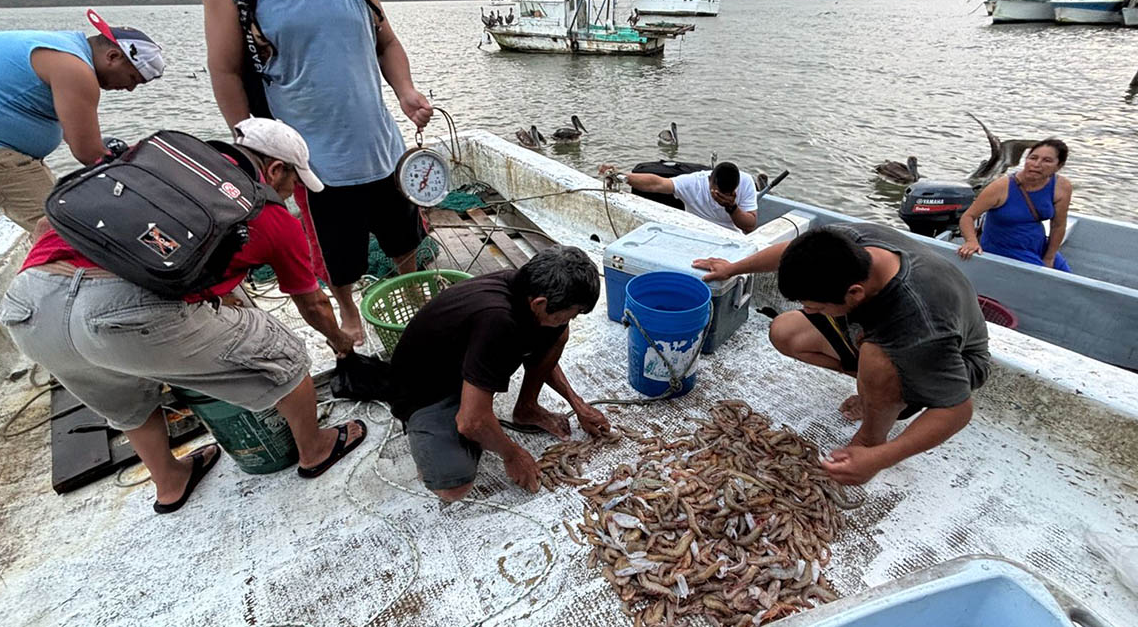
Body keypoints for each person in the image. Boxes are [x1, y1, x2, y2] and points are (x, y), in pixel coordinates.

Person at [0, 118, 365, 513]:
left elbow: (44, 224)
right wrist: (340, 342)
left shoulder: (157, 160)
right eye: (294, 181)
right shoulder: (270, 215)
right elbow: (313, 305)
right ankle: (316, 448)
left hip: (29, 306)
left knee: (124, 397)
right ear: (275, 169)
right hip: (120, 314)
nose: (293, 192)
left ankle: (170, 481)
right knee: (286, 355)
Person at [203, 0, 434, 347]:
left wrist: (406, 91)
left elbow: (387, 42)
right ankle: (348, 313)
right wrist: (253, 149)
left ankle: (415, 296)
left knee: (406, 238)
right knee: (335, 258)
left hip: (383, 148)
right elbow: (225, 71)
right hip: (314, 165)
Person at [693, 223, 989, 486]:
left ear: (855, 293)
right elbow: (793, 253)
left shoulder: (918, 320)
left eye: (817, 307)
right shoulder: (849, 243)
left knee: (876, 360)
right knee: (785, 331)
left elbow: (957, 410)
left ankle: (872, 438)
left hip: (952, 362)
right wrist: (734, 268)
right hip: (883, 335)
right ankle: (878, 392)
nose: (810, 312)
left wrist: (882, 458)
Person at [387, 246, 611, 502]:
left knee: (557, 333)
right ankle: (432, 437)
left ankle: (526, 408)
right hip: (424, 392)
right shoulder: (498, 321)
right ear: (540, 304)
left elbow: (545, 349)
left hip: (465, 366)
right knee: (454, 486)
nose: (571, 319)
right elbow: (470, 422)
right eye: (571, 314)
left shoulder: (526, 288)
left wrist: (577, 404)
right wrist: (512, 454)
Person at [0, 10, 165, 232]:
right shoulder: (75, 70)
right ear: (113, 57)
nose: (130, 89)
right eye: (133, 79)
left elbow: (73, 135)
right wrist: (146, 186)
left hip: (4, 150)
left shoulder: (64, 47)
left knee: (63, 207)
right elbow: (88, 153)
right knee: (66, 230)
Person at [957, 139, 1072, 271]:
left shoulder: (1061, 186)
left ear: (1059, 166)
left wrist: (1049, 257)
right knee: (1047, 279)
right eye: (1033, 158)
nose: (1036, 164)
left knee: (1067, 276)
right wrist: (971, 241)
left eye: (1047, 160)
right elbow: (968, 217)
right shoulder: (1001, 186)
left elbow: (1058, 225)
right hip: (1004, 247)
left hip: (1038, 245)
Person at [599, 161, 759, 233]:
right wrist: (622, 176)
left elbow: (749, 226)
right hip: (695, 231)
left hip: (729, 235)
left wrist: (731, 207)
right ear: (710, 180)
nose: (722, 196)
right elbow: (657, 184)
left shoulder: (746, 182)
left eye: (728, 193)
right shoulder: (694, 183)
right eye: (717, 192)